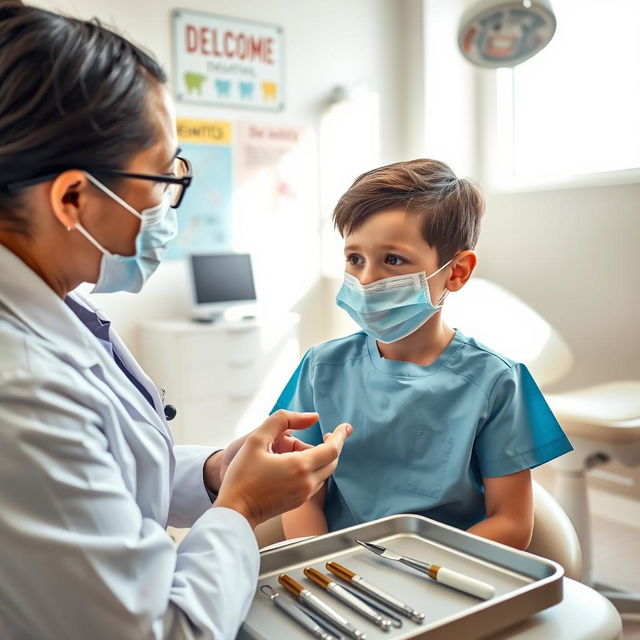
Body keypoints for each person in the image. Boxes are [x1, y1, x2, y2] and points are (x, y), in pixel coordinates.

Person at [0, 3, 352, 639]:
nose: (168, 202)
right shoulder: (20, 388)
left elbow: (101, 477)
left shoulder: (57, 313)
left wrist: (217, 471)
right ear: (73, 199)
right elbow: (161, 630)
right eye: (162, 177)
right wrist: (243, 507)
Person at [274, 158, 573, 549]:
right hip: (338, 571)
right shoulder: (321, 368)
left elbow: (512, 523)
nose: (365, 280)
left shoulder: (496, 382)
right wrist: (325, 568)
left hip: (444, 573)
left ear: (457, 271)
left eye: (393, 260)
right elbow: (299, 498)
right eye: (355, 258)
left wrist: (405, 571)